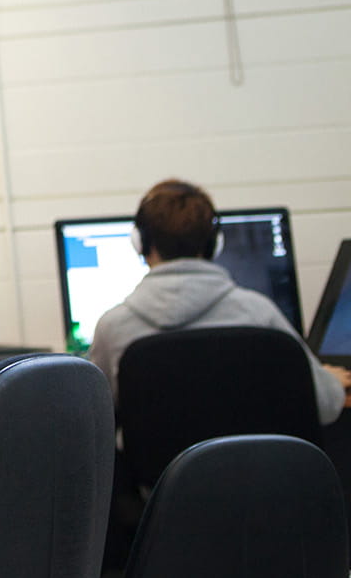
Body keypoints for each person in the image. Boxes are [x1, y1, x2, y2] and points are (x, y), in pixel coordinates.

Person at [86, 178, 348, 424]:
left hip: (154, 474)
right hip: (251, 471)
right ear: (215, 244)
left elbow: (93, 421)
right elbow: (325, 406)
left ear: (139, 243)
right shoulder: (258, 314)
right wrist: (331, 383)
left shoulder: (113, 327)